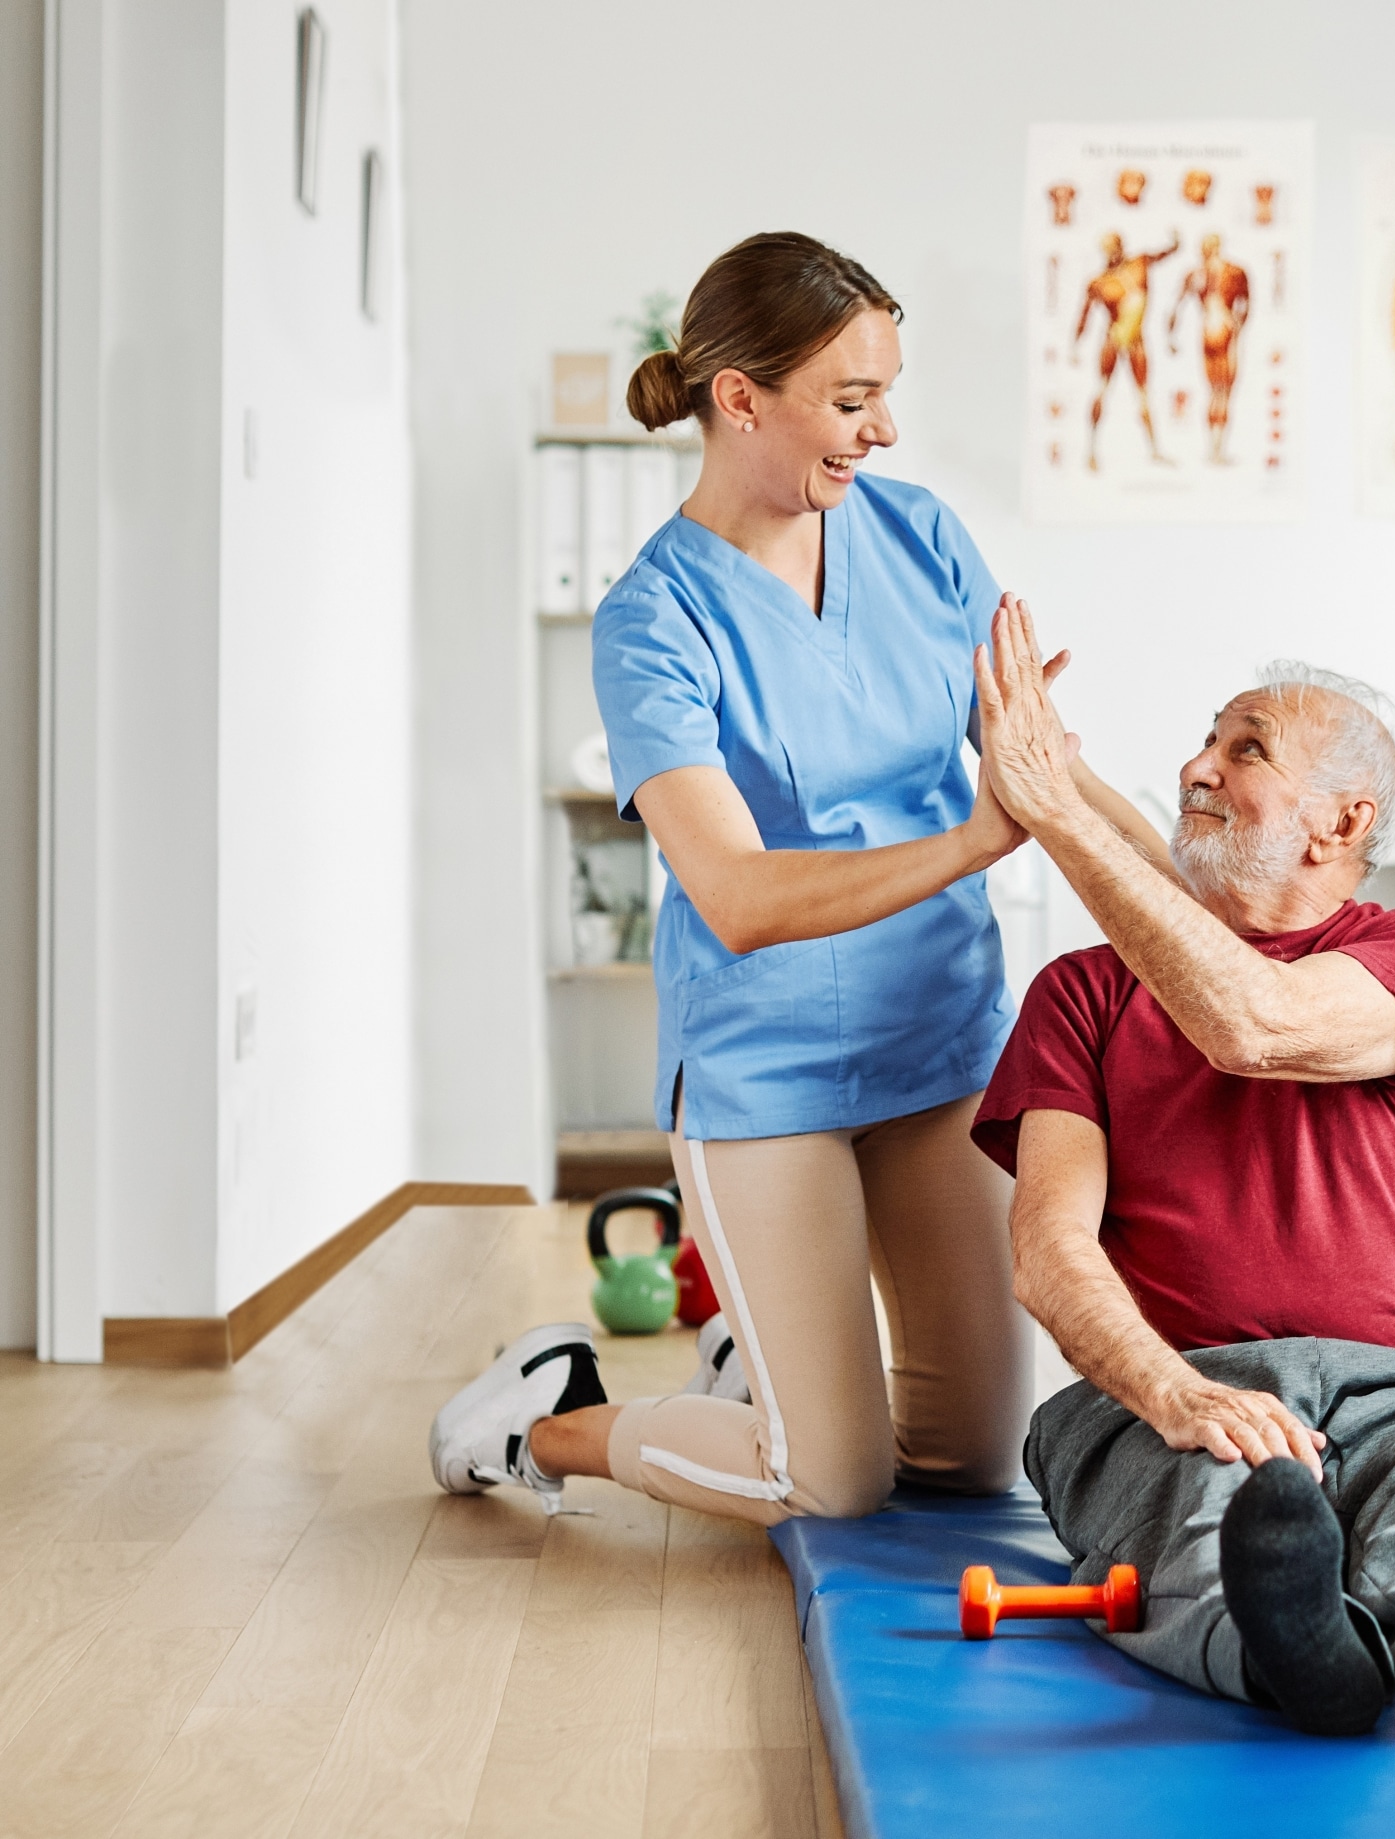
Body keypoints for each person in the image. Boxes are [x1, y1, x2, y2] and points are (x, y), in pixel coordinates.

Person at [429, 233, 1166, 1527]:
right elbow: (741, 896)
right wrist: (978, 839)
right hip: (766, 1072)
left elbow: (1039, 763)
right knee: (831, 1475)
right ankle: (542, 1418)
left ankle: (750, 1363)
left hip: (939, 1045)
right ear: (740, 396)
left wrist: (1198, 902)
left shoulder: (923, 537)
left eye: (889, 389)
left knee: (969, 1455)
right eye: (851, 397)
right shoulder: (654, 618)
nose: (884, 427)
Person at [965, 605, 1395, 1739]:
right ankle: (1296, 1658)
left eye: (1245, 748)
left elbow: (1253, 1022)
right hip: (1167, 1390)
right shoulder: (1081, 993)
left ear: (1342, 819)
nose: (1194, 766)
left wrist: (1059, 803)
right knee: (1219, 1513)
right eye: (1205, 740)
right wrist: (1173, 1391)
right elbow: (1050, 1250)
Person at [1074, 230, 1182, 469]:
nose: (1111, 253)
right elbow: (1084, 316)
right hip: (1113, 339)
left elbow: (1160, 256)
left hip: (1136, 341)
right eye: (1107, 249)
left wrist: (1175, 245)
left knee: (1143, 394)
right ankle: (1090, 450)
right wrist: (1075, 344)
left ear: (1121, 247)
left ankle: (1155, 450)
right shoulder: (1099, 282)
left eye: (1114, 247)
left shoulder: (1139, 264)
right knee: (1101, 389)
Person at [1167, 231, 1251, 464]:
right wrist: (1237, 326)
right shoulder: (1232, 271)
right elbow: (1245, 305)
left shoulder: (1199, 274)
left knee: (1215, 392)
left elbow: (1176, 308)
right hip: (1223, 328)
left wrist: (1171, 337)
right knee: (1223, 392)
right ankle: (1217, 450)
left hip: (1208, 329)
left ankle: (1213, 450)